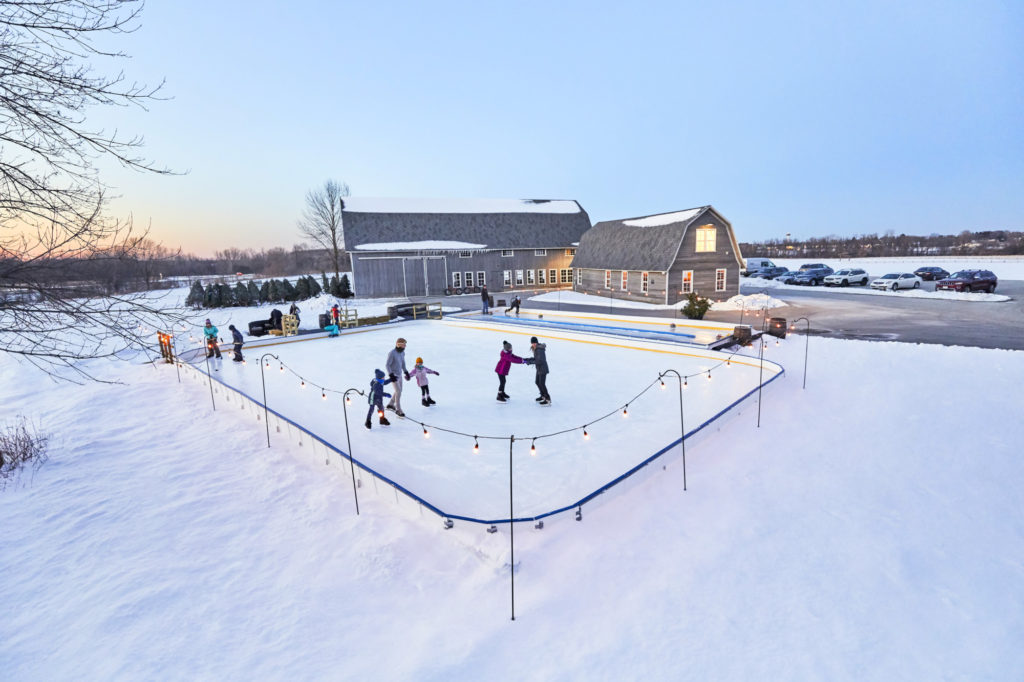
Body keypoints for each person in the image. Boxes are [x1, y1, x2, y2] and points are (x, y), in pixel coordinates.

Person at [385, 337, 410, 417]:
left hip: (399, 375)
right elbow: (387, 365)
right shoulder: (392, 353)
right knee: (398, 391)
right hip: (394, 376)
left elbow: (403, 363)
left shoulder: (402, 353)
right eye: (404, 345)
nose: (405, 346)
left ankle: (391, 404)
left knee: (399, 390)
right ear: (399, 344)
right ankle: (398, 409)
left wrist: (406, 372)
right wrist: (391, 375)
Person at [524, 336, 550, 405]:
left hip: (543, 369)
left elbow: (540, 361)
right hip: (539, 368)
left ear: (537, 342)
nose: (534, 344)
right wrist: (528, 359)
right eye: (532, 343)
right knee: (537, 382)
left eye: (535, 343)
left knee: (542, 384)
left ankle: (547, 399)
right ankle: (542, 396)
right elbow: (536, 358)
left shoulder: (539, 349)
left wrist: (530, 362)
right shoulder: (536, 348)